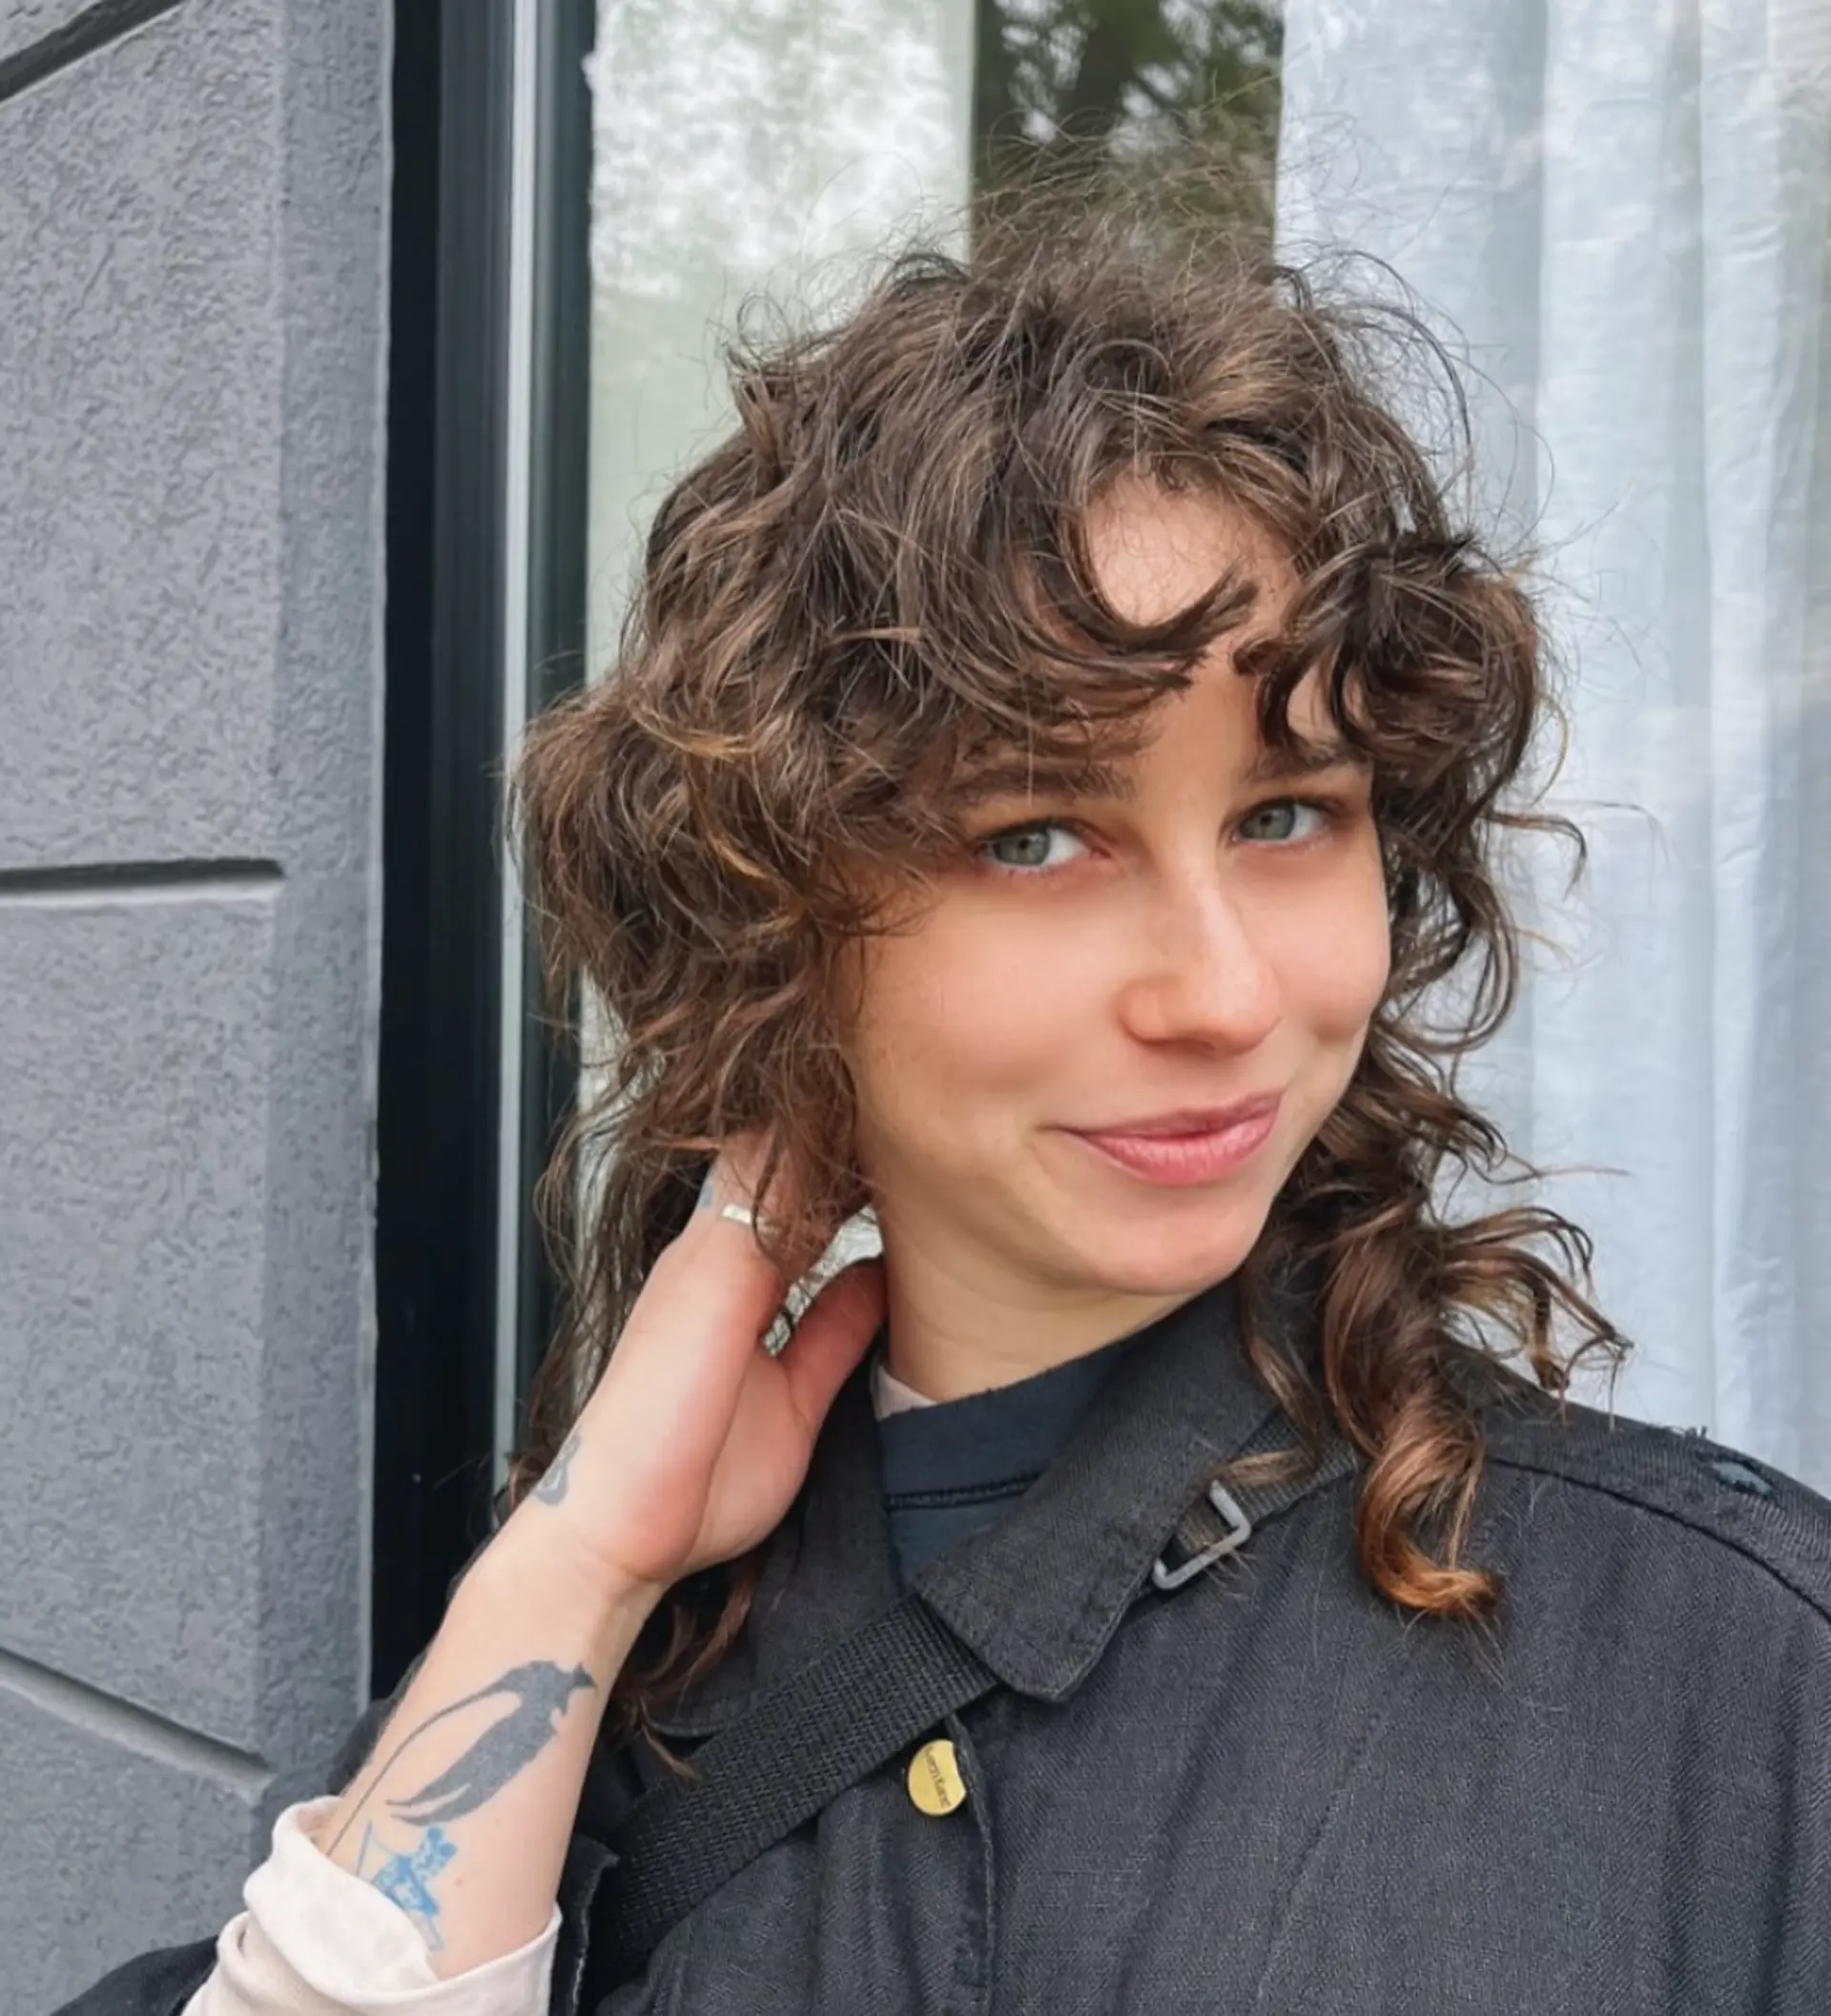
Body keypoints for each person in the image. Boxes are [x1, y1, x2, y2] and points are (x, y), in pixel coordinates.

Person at [64, 161, 1831, 2016]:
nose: (1225, 993)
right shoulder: (623, 1664)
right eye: (1037, 834)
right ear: (779, 922)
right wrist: (576, 1564)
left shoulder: (1730, 1683)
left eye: (1288, 813)